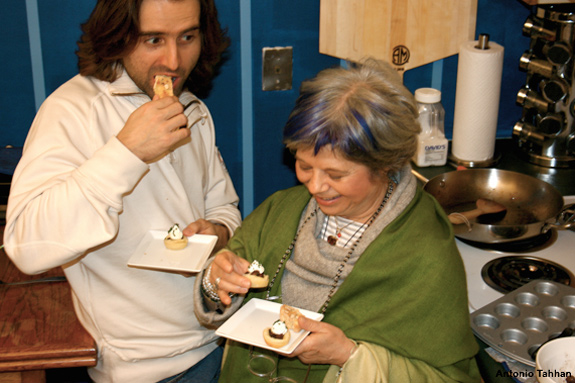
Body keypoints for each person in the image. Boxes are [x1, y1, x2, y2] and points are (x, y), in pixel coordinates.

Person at [193, 59, 481, 382]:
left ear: (385, 165)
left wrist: (350, 357)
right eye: (304, 166)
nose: (315, 187)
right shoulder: (281, 212)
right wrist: (214, 281)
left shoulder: (425, 255)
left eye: (336, 174)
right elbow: (220, 296)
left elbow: (453, 378)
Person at [3, 0, 241, 382]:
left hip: (222, 339)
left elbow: (225, 206)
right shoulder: (72, 111)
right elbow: (27, 247)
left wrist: (218, 231)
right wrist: (126, 151)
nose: (174, 61)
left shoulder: (193, 108)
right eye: (153, 40)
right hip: (147, 368)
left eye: (187, 37)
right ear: (118, 37)